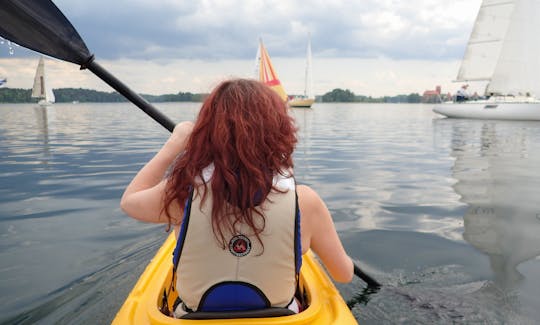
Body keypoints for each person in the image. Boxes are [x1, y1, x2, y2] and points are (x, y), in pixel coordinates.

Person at [120, 79, 353, 316]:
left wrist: (173, 145)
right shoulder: (305, 201)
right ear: (279, 130)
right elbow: (344, 274)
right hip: (282, 317)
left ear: (205, 132)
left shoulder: (183, 192)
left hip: (193, 317)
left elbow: (130, 201)